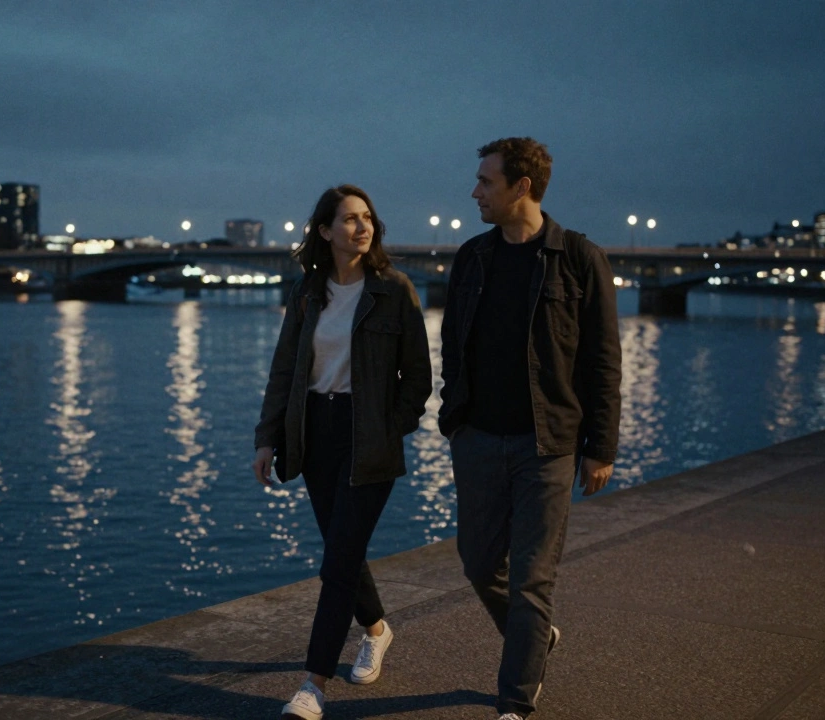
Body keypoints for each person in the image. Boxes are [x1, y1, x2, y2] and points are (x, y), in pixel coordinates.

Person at [439, 138, 622, 719]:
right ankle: (535, 640)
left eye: (485, 182)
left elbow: (602, 360)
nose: (475, 192)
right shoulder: (472, 257)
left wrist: (601, 448)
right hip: (478, 437)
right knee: (476, 562)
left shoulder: (579, 258)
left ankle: (514, 702)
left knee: (531, 579)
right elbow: (452, 346)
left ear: (521, 187)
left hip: (548, 445)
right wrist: (455, 417)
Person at [253, 184, 432, 720]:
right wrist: (267, 437)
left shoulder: (394, 290)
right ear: (325, 231)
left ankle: (313, 685)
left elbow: (418, 378)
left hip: (366, 436)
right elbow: (285, 369)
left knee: (337, 564)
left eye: (367, 218)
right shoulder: (308, 292)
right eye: (349, 219)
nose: (362, 227)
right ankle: (376, 630)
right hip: (314, 431)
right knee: (341, 549)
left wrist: (387, 428)